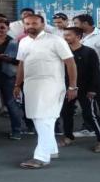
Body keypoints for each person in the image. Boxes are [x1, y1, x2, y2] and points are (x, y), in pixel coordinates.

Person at [13, 14, 77, 169]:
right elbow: (21, 64)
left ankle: (41, 157)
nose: (30, 26)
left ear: (43, 24)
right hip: (31, 86)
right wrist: (17, 84)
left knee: (45, 119)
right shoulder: (23, 42)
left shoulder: (55, 40)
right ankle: (51, 149)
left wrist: (73, 86)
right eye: (27, 23)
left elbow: (70, 63)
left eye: (34, 23)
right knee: (37, 118)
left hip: (51, 85)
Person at [59, 27, 100, 152]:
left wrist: (92, 89)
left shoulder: (89, 52)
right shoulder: (63, 52)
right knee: (66, 113)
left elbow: (95, 72)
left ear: (78, 37)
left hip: (86, 89)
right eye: (64, 35)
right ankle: (69, 136)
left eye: (68, 35)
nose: (65, 37)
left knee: (90, 115)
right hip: (68, 88)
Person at [73, 14, 100, 138]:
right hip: (85, 77)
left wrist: (91, 64)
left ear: (85, 23)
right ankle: (89, 127)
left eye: (76, 23)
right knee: (87, 103)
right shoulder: (80, 37)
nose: (74, 25)